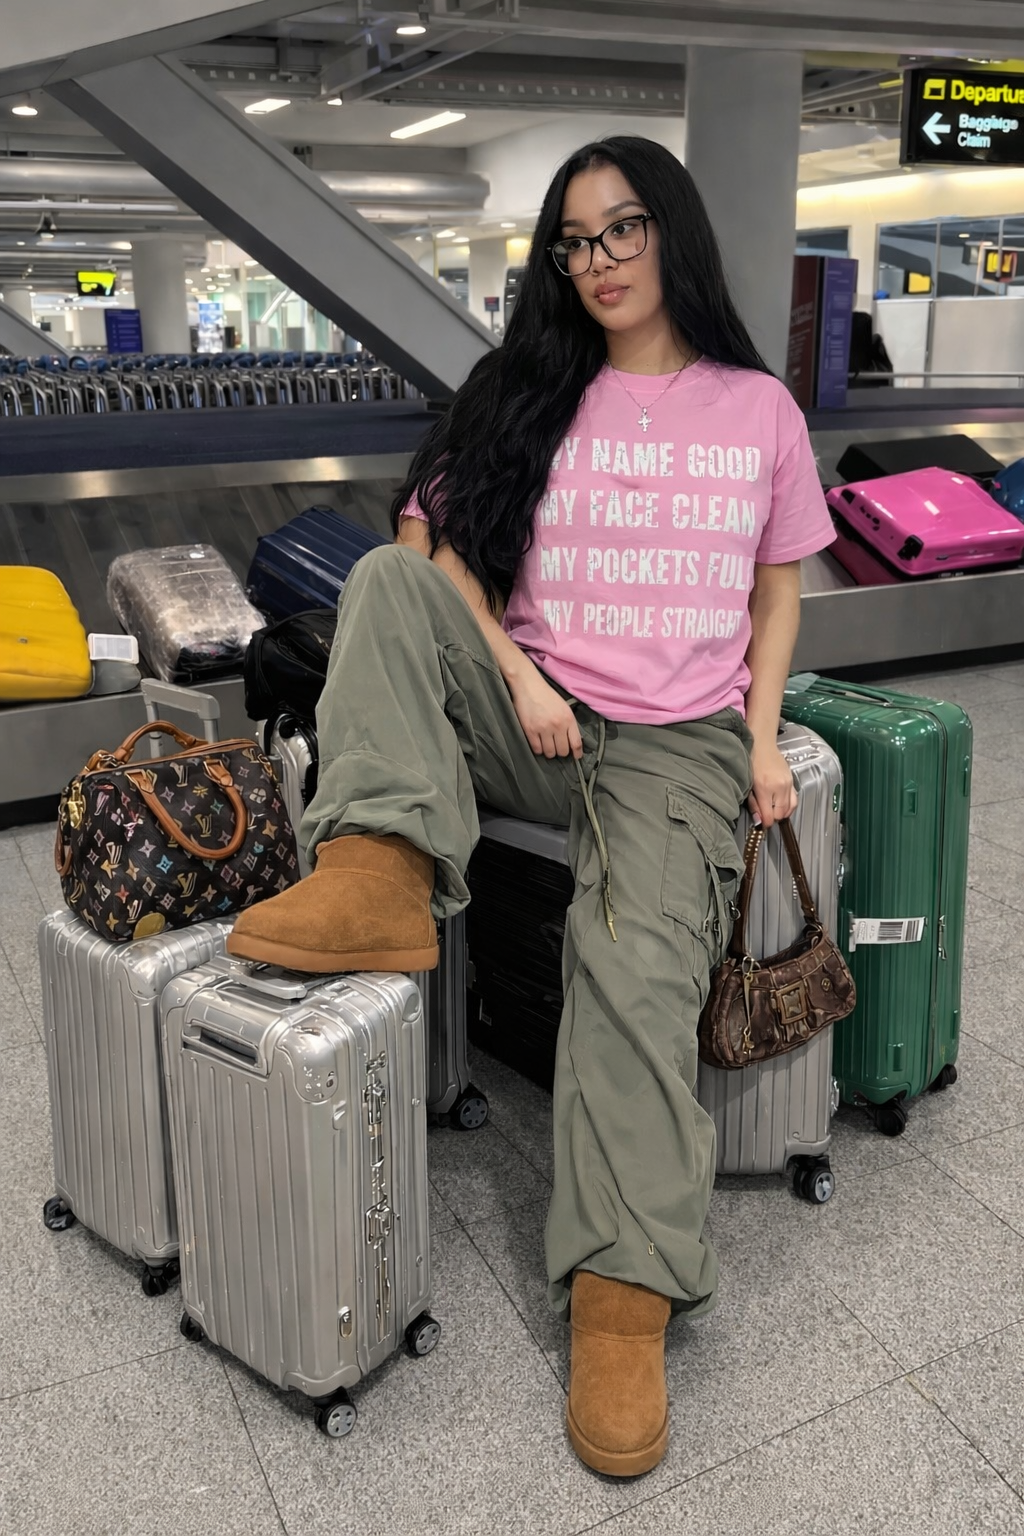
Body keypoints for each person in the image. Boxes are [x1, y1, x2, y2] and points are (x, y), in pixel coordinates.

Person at [228, 135, 835, 1477]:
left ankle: (622, 1293)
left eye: (623, 230)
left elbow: (782, 583)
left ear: (671, 232)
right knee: (381, 591)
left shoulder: (757, 412)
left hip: (678, 739)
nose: (602, 259)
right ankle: (381, 870)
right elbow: (427, 548)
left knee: (630, 967)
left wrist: (762, 723)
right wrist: (515, 669)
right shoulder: (530, 388)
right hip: (540, 708)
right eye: (576, 241)